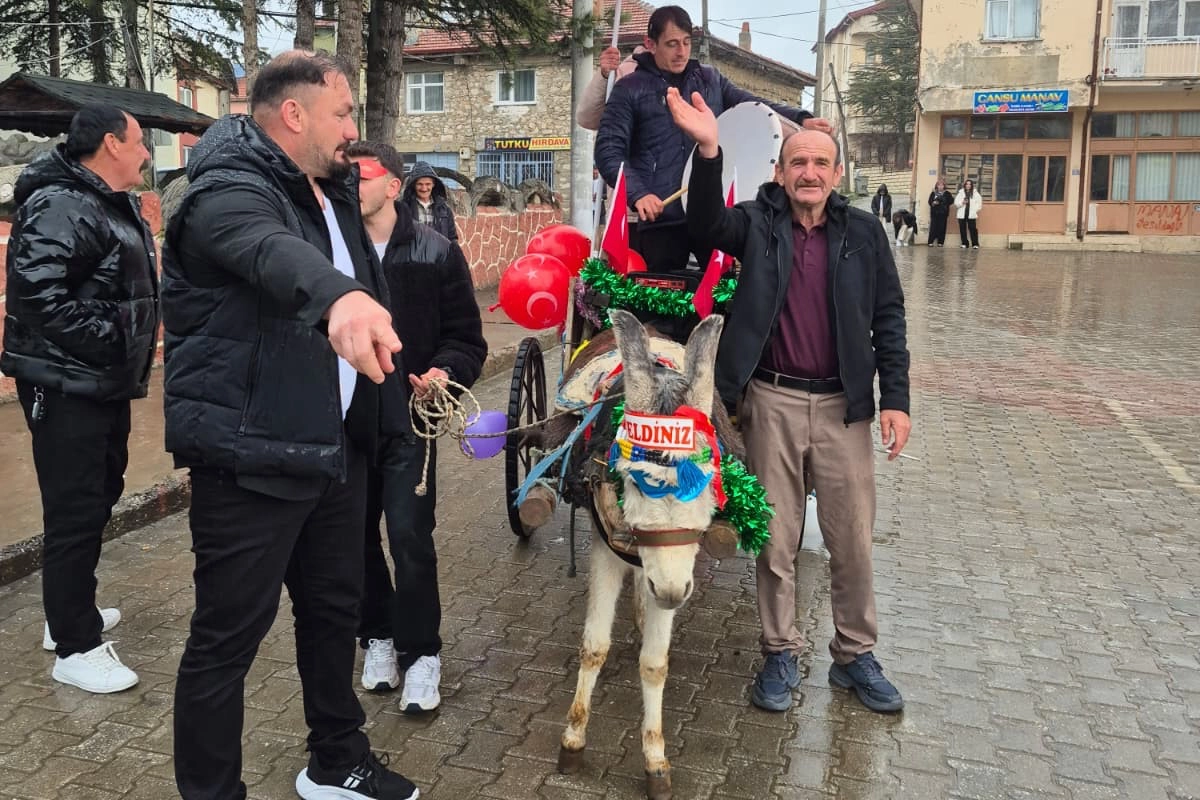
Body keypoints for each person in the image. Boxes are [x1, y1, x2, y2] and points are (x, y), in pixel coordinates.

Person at [162, 52, 418, 800]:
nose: (352, 129)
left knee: (334, 612)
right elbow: (267, 250)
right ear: (295, 114)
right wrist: (340, 298)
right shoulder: (226, 187)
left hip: (332, 446)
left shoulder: (331, 188)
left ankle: (336, 760)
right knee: (227, 638)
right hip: (252, 454)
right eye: (343, 113)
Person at [667, 87, 911, 714]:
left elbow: (889, 317)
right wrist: (709, 151)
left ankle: (854, 655)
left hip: (843, 408)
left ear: (837, 174)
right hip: (770, 401)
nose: (809, 172)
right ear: (779, 172)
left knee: (851, 540)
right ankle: (779, 650)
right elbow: (704, 226)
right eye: (797, 162)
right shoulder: (756, 222)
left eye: (820, 163)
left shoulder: (864, 233)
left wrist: (896, 399)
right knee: (776, 541)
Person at [2, 104, 156, 694]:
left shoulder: (105, 201)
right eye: (139, 141)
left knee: (99, 494)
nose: (147, 153)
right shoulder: (62, 203)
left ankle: (68, 610)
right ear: (112, 144)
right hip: (67, 382)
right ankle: (75, 646)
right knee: (74, 508)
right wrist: (113, 340)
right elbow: (37, 297)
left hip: (99, 380)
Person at [345, 140, 486, 712]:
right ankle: (377, 635)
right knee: (354, 539)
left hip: (410, 423)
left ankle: (423, 651)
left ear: (392, 185)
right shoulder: (331, 251)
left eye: (361, 176)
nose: (350, 185)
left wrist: (444, 371)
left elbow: (467, 339)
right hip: (345, 424)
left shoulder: (436, 251)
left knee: (409, 537)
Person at [594, 5, 832, 274]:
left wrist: (800, 119)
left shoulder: (709, 79)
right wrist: (639, 193)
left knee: (724, 290)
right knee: (661, 295)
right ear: (650, 44)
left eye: (686, 42)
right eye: (672, 44)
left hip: (711, 215)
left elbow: (752, 105)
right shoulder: (629, 89)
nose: (682, 52)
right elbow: (608, 150)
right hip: (661, 220)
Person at [402, 161, 458, 242]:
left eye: (428, 184)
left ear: (433, 184)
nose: (424, 188)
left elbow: (452, 238)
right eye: (420, 184)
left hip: (439, 250)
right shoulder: (404, 209)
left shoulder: (445, 210)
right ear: (414, 185)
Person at [955, 178, 982, 248]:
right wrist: (962, 203)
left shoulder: (975, 193)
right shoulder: (961, 193)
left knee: (973, 229)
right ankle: (964, 243)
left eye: (970, 184)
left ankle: (975, 244)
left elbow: (979, 204)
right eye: (967, 184)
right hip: (962, 214)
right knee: (962, 229)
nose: (968, 185)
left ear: (972, 185)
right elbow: (956, 203)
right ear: (965, 185)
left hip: (971, 214)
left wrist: (974, 210)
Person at [926, 177, 954, 246]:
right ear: (937, 186)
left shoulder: (947, 193)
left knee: (942, 228)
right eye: (939, 185)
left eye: (942, 185)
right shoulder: (933, 193)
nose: (940, 186)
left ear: (944, 186)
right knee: (933, 227)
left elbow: (951, 201)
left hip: (943, 213)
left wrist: (943, 201)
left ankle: (940, 242)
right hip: (934, 213)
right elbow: (930, 201)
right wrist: (933, 203)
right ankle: (930, 242)